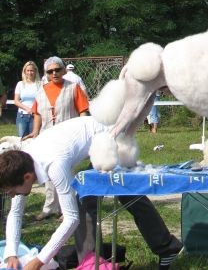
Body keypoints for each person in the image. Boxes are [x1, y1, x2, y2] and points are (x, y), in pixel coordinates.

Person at [0, 116, 182, 270]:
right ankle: (94, 261)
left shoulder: (54, 165)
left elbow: (71, 219)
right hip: (92, 140)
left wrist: (39, 261)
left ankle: (165, 247)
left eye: (13, 191)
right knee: (87, 200)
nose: (13, 196)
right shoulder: (20, 162)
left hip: (111, 138)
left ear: (27, 177)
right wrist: (11, 253)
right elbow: (15, 213)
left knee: (123, 192)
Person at [28, 56, 89, 221]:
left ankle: (68, 209)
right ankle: (49, 208)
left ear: (63, 70)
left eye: (57, 69)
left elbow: (83, 110)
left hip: (68, 138)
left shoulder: (73, 87)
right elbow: (37, 114)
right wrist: (35, 132)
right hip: (47, 137)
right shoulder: (41, 91)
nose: (54, 73)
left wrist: (84, 129)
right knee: (47, 173)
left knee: (67, 172)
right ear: (46, 73)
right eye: (50, 71)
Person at [13, 61, 42, 138]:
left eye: (32, 70)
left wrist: (34, 110)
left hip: (36, 116)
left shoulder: (40, 84)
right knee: (22, 139)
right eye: (28, 70)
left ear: (35, 71)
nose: (30, 73)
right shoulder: (20, 84)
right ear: (24, 72)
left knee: (34, 139)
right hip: (22, 116)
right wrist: (27, 109)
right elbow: (16, 101)